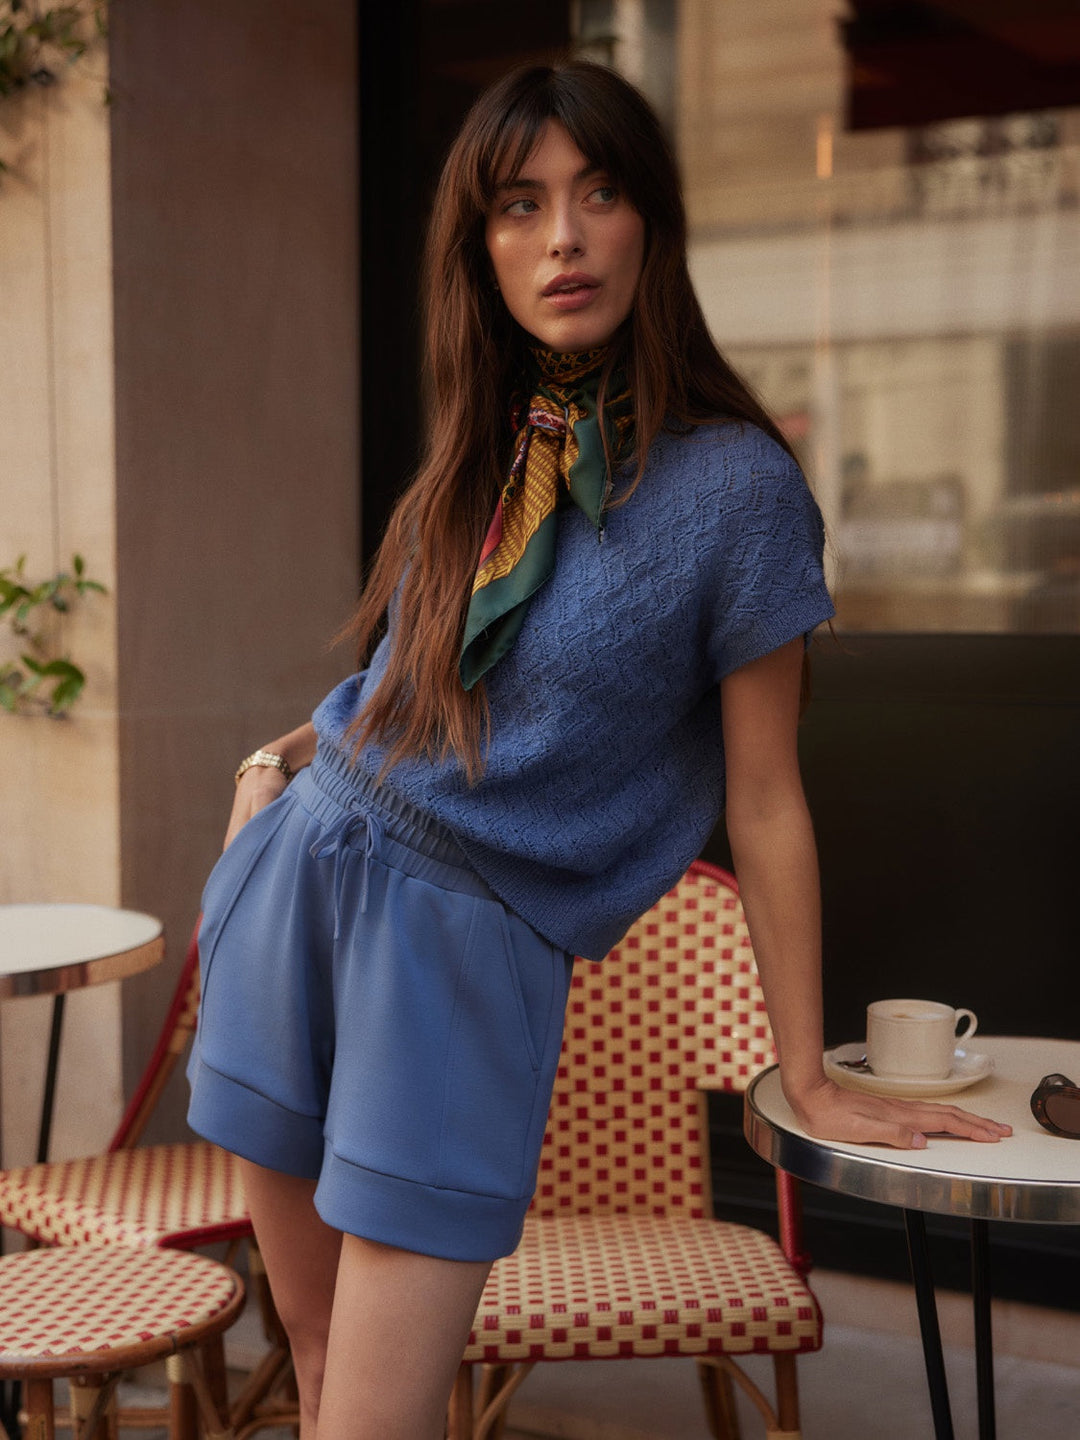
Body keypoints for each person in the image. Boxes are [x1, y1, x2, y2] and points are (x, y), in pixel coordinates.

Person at [186, 60, 1011, 1440]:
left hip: (460, 952)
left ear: (651, 223)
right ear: (484, 246)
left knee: (370, 1422)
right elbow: (412, 691)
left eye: (598, 193)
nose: (562, 236)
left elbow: (765, 799)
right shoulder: (494, 443)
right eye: (520, 205)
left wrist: (806, 1070)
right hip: (294, 886)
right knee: (316, 1368)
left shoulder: (738, 488)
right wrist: (270, 779)